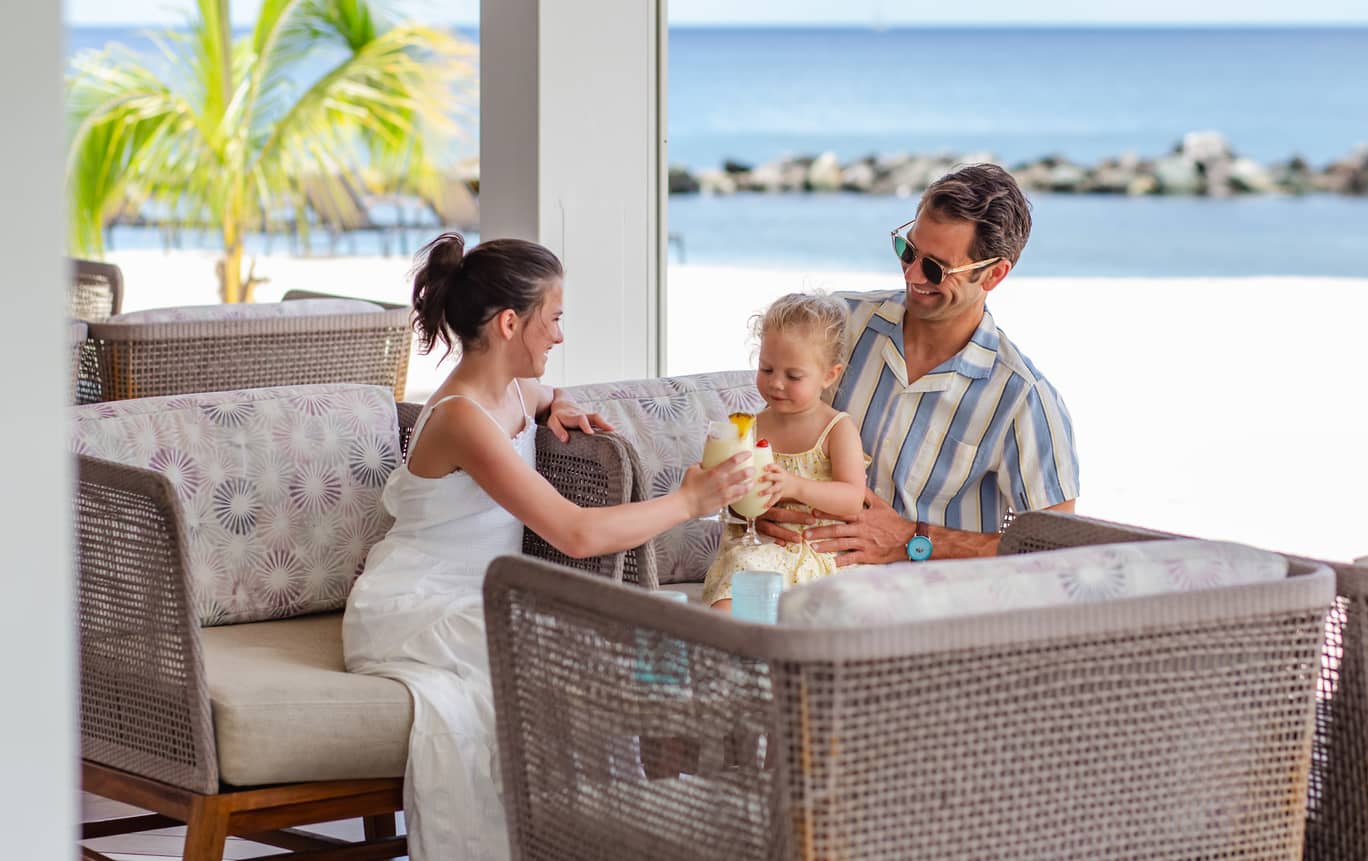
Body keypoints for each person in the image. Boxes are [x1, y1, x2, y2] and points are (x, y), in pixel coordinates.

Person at [342, 233, 753, 861]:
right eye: (554, 319)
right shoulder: (462, 418)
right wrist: (691, 502)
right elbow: (574, 534)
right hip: (418, 602)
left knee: (612, 656)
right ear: (511, 323)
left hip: (478, 593)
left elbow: (541, 397)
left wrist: (560, 405)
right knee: (574, 666)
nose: (560, 336)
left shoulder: (510, 392)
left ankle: (669, 822)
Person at [758, 163, 1079, 564]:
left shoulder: (1022, 398)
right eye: (907, 250)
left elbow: (1055, 547)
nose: (912, 274)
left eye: (935, 268)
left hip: (925, 607)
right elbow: (775, 423)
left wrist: (913, 540)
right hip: (799, 575)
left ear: (994, 275)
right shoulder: (838, 326)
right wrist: (762, 501)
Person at [701, 292, 867, 610]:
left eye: (793, 376)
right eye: (766, 370)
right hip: (757, 548)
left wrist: (796, 486)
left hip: (816, 551)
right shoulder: (750, 426)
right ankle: (729, 653)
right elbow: (731, 498)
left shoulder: (837, 428)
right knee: (735, 593)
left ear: (829, 375)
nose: (776, 384)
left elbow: (852, 499)